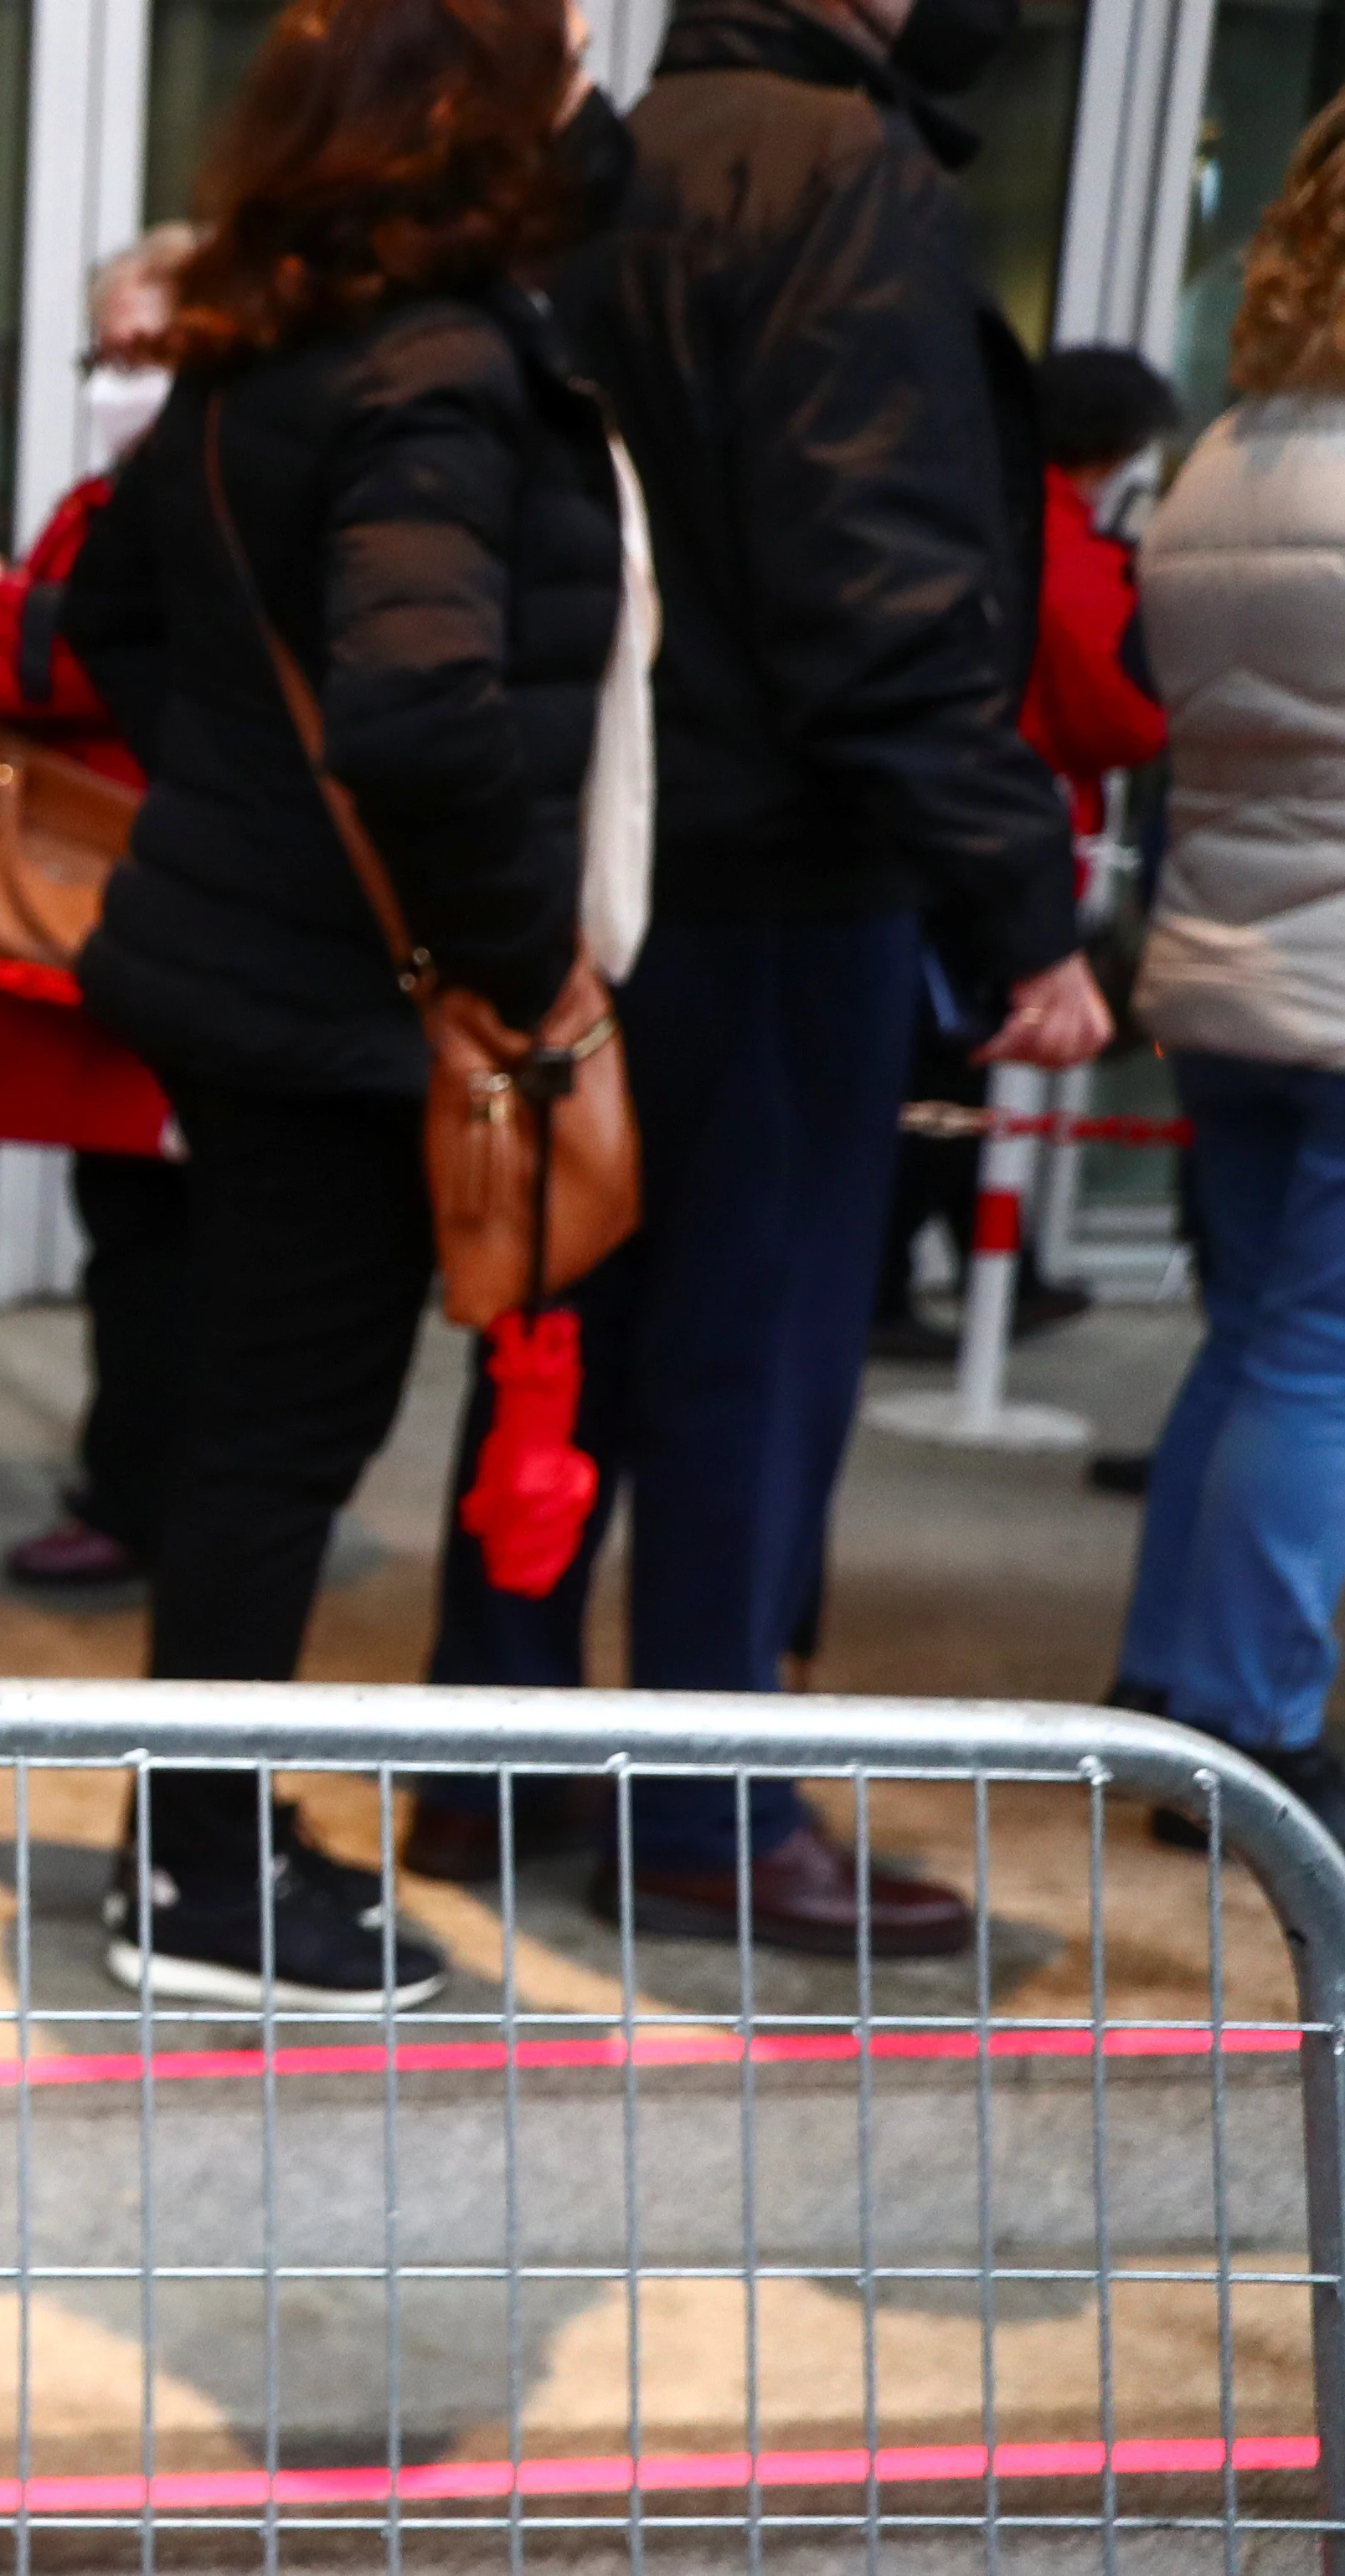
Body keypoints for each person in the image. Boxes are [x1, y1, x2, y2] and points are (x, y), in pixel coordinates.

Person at [415, 0, 1115, 1956]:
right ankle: (708, 1807)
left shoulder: (613, 161)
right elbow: (873, 580)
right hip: (778, 872)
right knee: (750, 1354)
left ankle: (491, 1754)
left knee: (559, 1326)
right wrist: (1018, 906)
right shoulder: (836, 176)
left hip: (599, 858)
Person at [56, 0, 628, 2008]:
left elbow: (96, 617)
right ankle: (195, 1888)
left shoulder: (255, 354)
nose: (588, 97)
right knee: (275, 1448)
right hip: (338, 1010)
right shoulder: (433, 366)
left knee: (246, 1428)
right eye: (557, 60)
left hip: (256, 983)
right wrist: (496, 960)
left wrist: (242, 811)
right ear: (473, 113)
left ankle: (190, 1838)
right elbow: (409, 705)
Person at [1105, 96, 1345, 1838]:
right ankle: (1257, 1735)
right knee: (1316, 1355)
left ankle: (1163, 1695)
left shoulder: (1224, 456)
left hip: (1227, 965)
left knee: (1250, 1339)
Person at [0, 226, 201, 1591]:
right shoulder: (122, 491)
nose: (117, 377)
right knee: (134, 1241)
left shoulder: (206, 491)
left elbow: (105, 653)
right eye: (106, 351)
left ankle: (149, 1498)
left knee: (167, 1256)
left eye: (148, 349)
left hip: (175, 921)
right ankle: (137, 1485)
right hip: (121, 923)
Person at [873, 345, 1178, 1359]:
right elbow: (1124, 721)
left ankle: (990, 1267)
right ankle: (902, 1281)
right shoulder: (1065, 551)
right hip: (1014, 837)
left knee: (953, 1065)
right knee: (960, 1070)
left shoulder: (975, 518)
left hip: (944, 825)